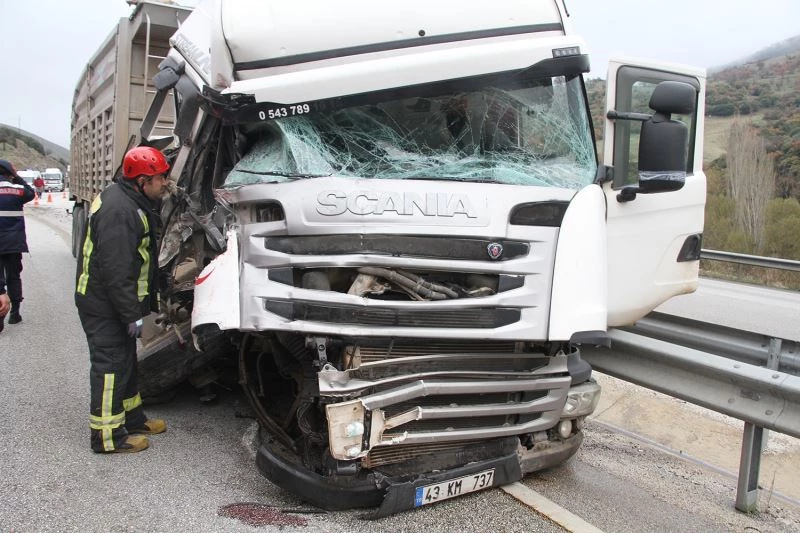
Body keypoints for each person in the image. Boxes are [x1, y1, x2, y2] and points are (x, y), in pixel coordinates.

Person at [75, 146, 171, 453]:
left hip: (114, 303)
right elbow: (116, 272)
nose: (165, 183)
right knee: (110, 366)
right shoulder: (120, 211)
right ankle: (107, 437)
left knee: (125, 362)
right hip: (104, 305)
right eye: (160, 178)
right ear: (143, 181)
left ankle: (133, 419)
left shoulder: (130, 201)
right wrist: (131, 315)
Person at [0, 159, 35, 333]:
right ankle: (15, 313)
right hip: (14, 242)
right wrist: (17, 177)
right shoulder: (18, 190)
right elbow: (31, 193)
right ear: (10, 173)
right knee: (13, 276)